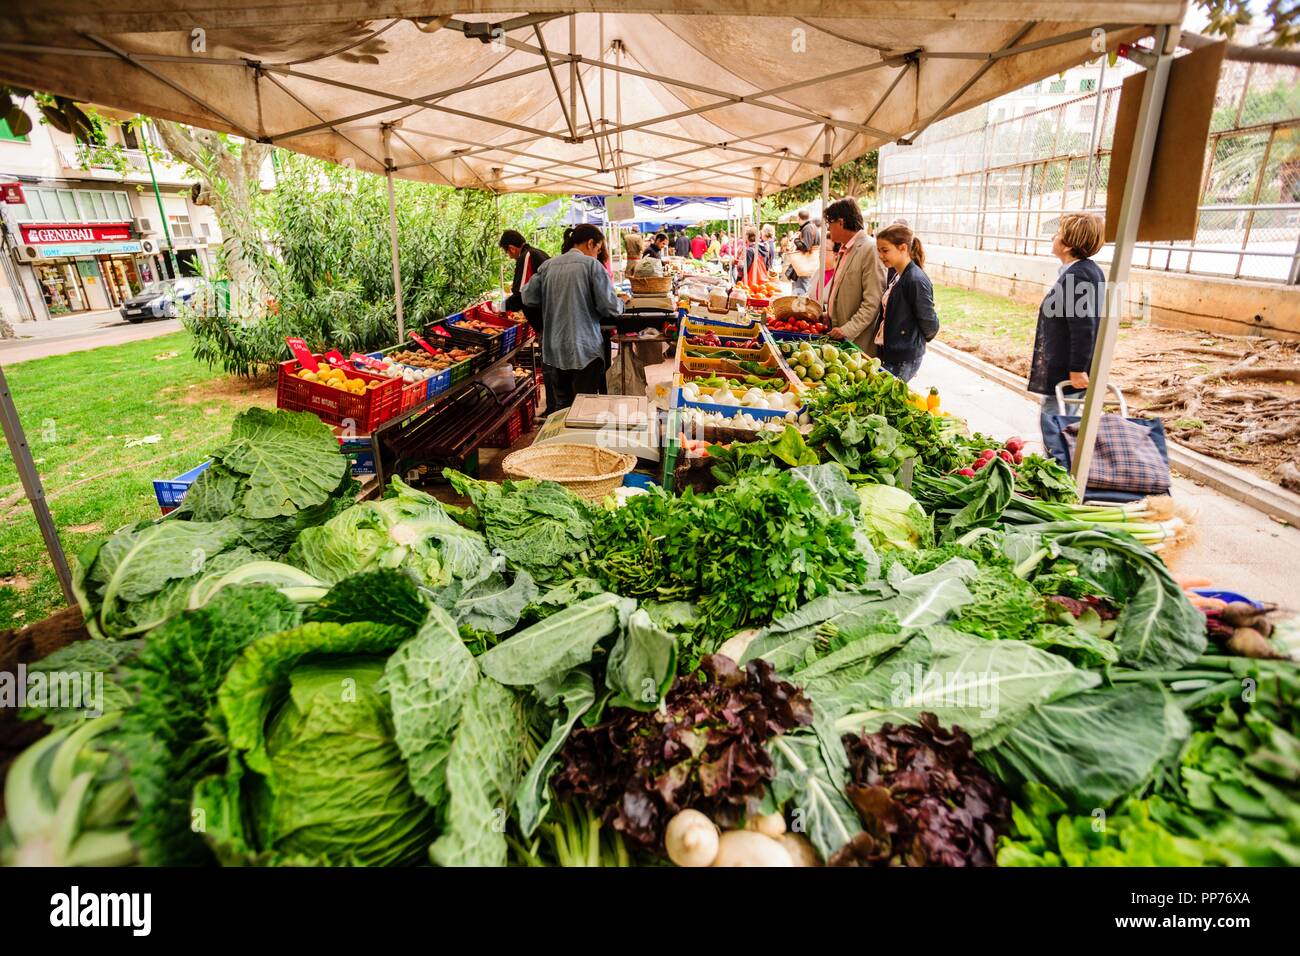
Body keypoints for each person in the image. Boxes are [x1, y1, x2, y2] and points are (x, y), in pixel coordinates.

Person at [522, 224, 629, 413]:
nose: (597, 254)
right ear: (590, 243)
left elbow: (527, 297)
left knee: (563, 408)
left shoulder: (548, 265)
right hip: (584, 349)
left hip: (554, 349)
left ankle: (563, 440)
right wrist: (622, 302)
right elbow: (609, 307)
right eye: (597, 249)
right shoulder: (591, 265)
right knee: (584, 408)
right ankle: (580, 441)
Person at [1028, 212, 1106, 440]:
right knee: (1063, 422)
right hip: (1068, 367)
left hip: (1068, 371)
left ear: (1069, 244)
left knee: (1054, 424)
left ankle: (1057, 470)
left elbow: (1084, 326)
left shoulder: (1078, 276)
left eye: (1060, 233)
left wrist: (1077, 368)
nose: (1054, 236)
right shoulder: (1084, 271)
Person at [872, 222, 939, 382]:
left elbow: (929, 323)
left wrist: (911, 340)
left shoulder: (915, 280)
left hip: (903, 357)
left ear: (902, 248)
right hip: (889, 352)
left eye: (885, 250)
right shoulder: (897, 274)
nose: (881, 256)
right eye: (879, 251)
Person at [822, 197, 887, 353]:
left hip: (856, 342)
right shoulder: (845, 249)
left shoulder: (870, 249)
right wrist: (829, 314)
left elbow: (873, 302)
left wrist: (847, 330)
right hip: (838, 336)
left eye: (829, 224)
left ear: (841, 222)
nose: (828, 229)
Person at [499, 229, 554, 411]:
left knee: (550, 365)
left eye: (507, 252)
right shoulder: (538, 253)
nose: (510, 257)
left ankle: (553, 409)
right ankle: (555, 407)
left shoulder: (527, 256)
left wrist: (502, 307)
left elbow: (522, 293)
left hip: (547, 320)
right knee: (553, 364)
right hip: (551, 317)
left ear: (512, 248)